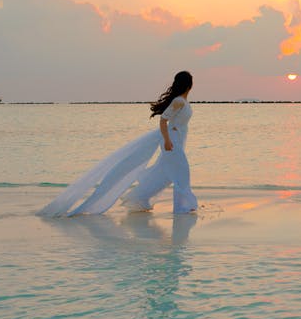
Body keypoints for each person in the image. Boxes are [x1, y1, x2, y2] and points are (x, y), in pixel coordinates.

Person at [39, 71, 199, 217]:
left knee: (164, 174)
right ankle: (183, 207)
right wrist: (167, 140)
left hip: (177, 140)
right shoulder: (178, 101)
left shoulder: (183, 101)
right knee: (182, 172)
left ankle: (138, 198)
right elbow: (163, 120)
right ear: (189, 84)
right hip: (171, 141)